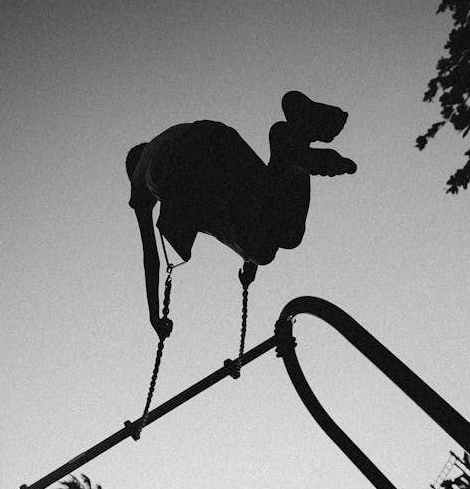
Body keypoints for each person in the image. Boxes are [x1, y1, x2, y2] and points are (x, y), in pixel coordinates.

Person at [127, 90, 357, 338]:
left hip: (180, 167)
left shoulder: (140, 178)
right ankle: (291, 141)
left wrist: (155, 317)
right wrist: (249, 267)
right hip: (216, 136)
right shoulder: (165, 137)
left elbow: (151, 257)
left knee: (263, 251)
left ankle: (290, 151)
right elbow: (247, 206)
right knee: (287, 229)